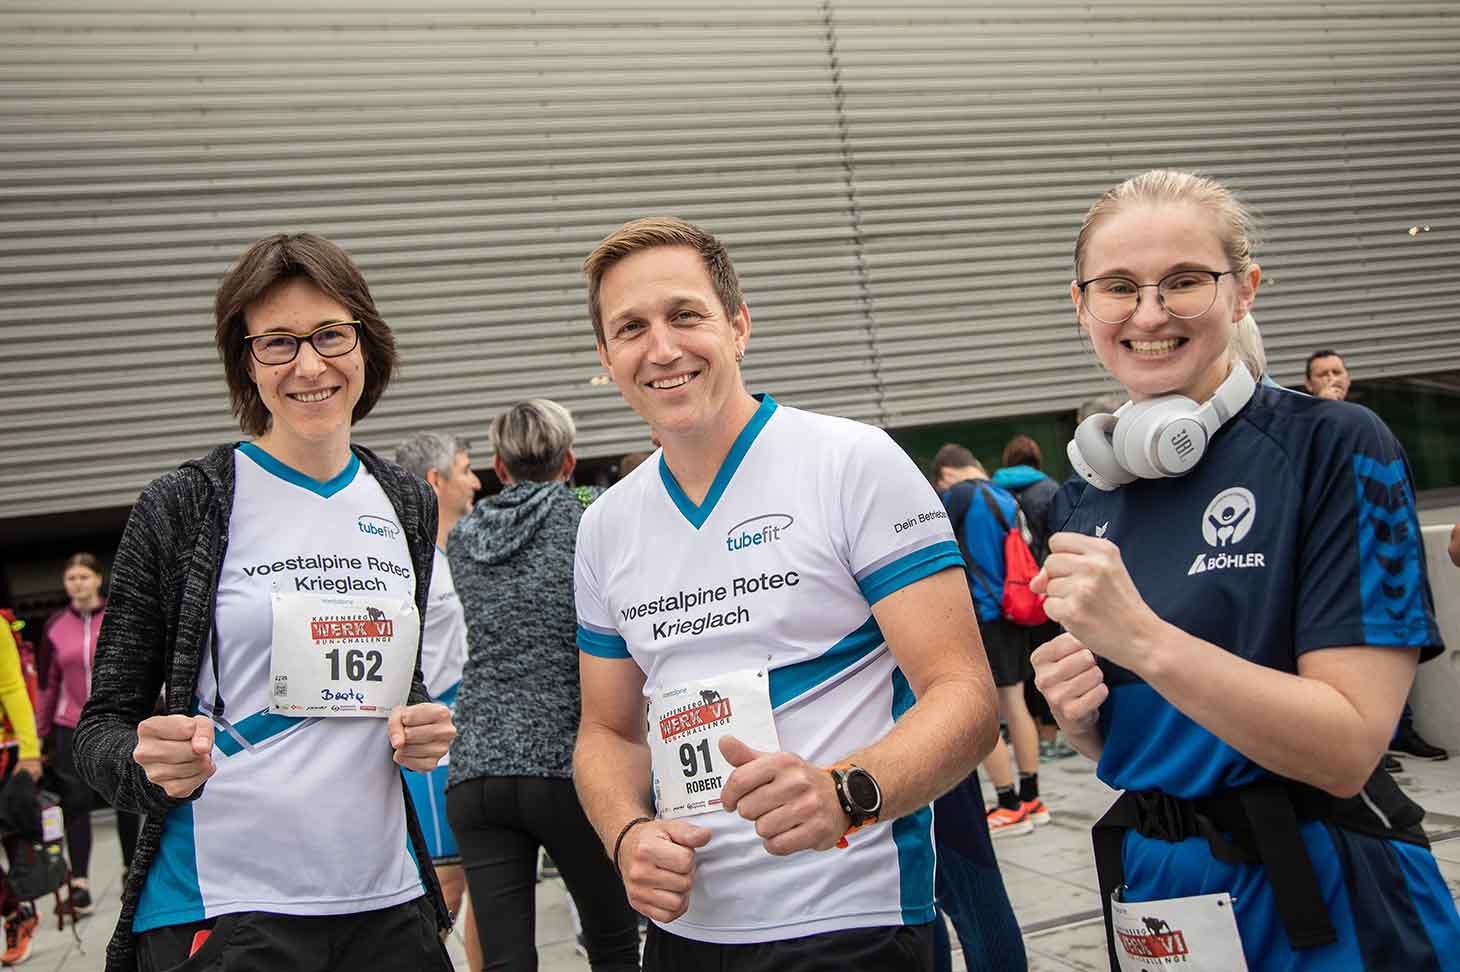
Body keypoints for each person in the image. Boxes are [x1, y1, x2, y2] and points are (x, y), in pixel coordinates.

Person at [1037, 168, 1460, 970]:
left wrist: (1142, 639)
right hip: (1155, 889)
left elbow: (1346, 749)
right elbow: (1161, 739)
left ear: (1244, 291)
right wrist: (1086, 722)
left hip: (1324, 887)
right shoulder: (1084, 495)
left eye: (1184, 281)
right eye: (1119, 288)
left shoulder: (1334, 445)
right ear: (1082, 305)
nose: (1150, 314)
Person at [573, 216, 999, 971]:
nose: (661, 348)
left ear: (738, 326)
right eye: (631, 328)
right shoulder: (605, 524)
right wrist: (626, 834)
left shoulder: (852, 462)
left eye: (685, 315)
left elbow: (965, 698)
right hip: (688, 932)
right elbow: (608, 732)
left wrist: (846, 792)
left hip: (852, 920)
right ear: (606, 359)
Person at [74, 233, 456, 972]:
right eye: (277, 342)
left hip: (387, 900)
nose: (309, 366)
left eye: (330, 334)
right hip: (230, 905)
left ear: (366, 344)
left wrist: (419, 724)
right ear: (246, 363)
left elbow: (389, 684)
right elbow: (101, 727)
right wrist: (146, 764)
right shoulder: (185, 505)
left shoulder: (406, 501)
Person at [445, 399, 640, 972]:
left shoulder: (465, 535)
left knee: (504, 960)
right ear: (569, 461)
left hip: (477, 765)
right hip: (567, 761)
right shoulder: (588, 512)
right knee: (612, 942)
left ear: (499, 467)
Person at [394, 430, 482, 969]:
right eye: (466, 469)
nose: (475, 481)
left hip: (471, 730)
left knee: (483, 886)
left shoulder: (461, 550)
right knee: (445, 886)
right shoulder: (406, 558)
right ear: (436, 480)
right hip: (432, 738)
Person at [933, 447, 1048, 838]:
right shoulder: (1004, 494)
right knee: (1016, 702)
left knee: (983, 712)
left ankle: (1007, 804)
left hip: (982, 614)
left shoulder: (959, 497)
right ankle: (1031, 798)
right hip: (1014, 609)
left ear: (947, 473)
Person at [37, 553, 140, 916]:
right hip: (72, 725)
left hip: (119, 719)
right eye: (71, 578)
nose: (77, 583)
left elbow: (140, 664)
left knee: (125, 797)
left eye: (83, 576)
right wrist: (40, 733)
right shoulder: (55, 626)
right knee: (76, 802)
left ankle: (132, 873)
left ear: (98, 579)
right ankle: (79, 883)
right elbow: (48, 684)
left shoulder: (120, 614)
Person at [991, 437, 1072, 761]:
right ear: (1036, 459)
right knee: (1053, 658)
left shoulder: (993, 493)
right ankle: (1053, 734)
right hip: (1045, 588)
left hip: (1009, 595)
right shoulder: (1050, 490)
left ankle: (1034, 732)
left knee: (1024, 669)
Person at [0, 609, 42, 965]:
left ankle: (18, 912)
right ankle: (16, 911)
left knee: (13, 840)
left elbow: (12, 687)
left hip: (3, 749)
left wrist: (30, 753)